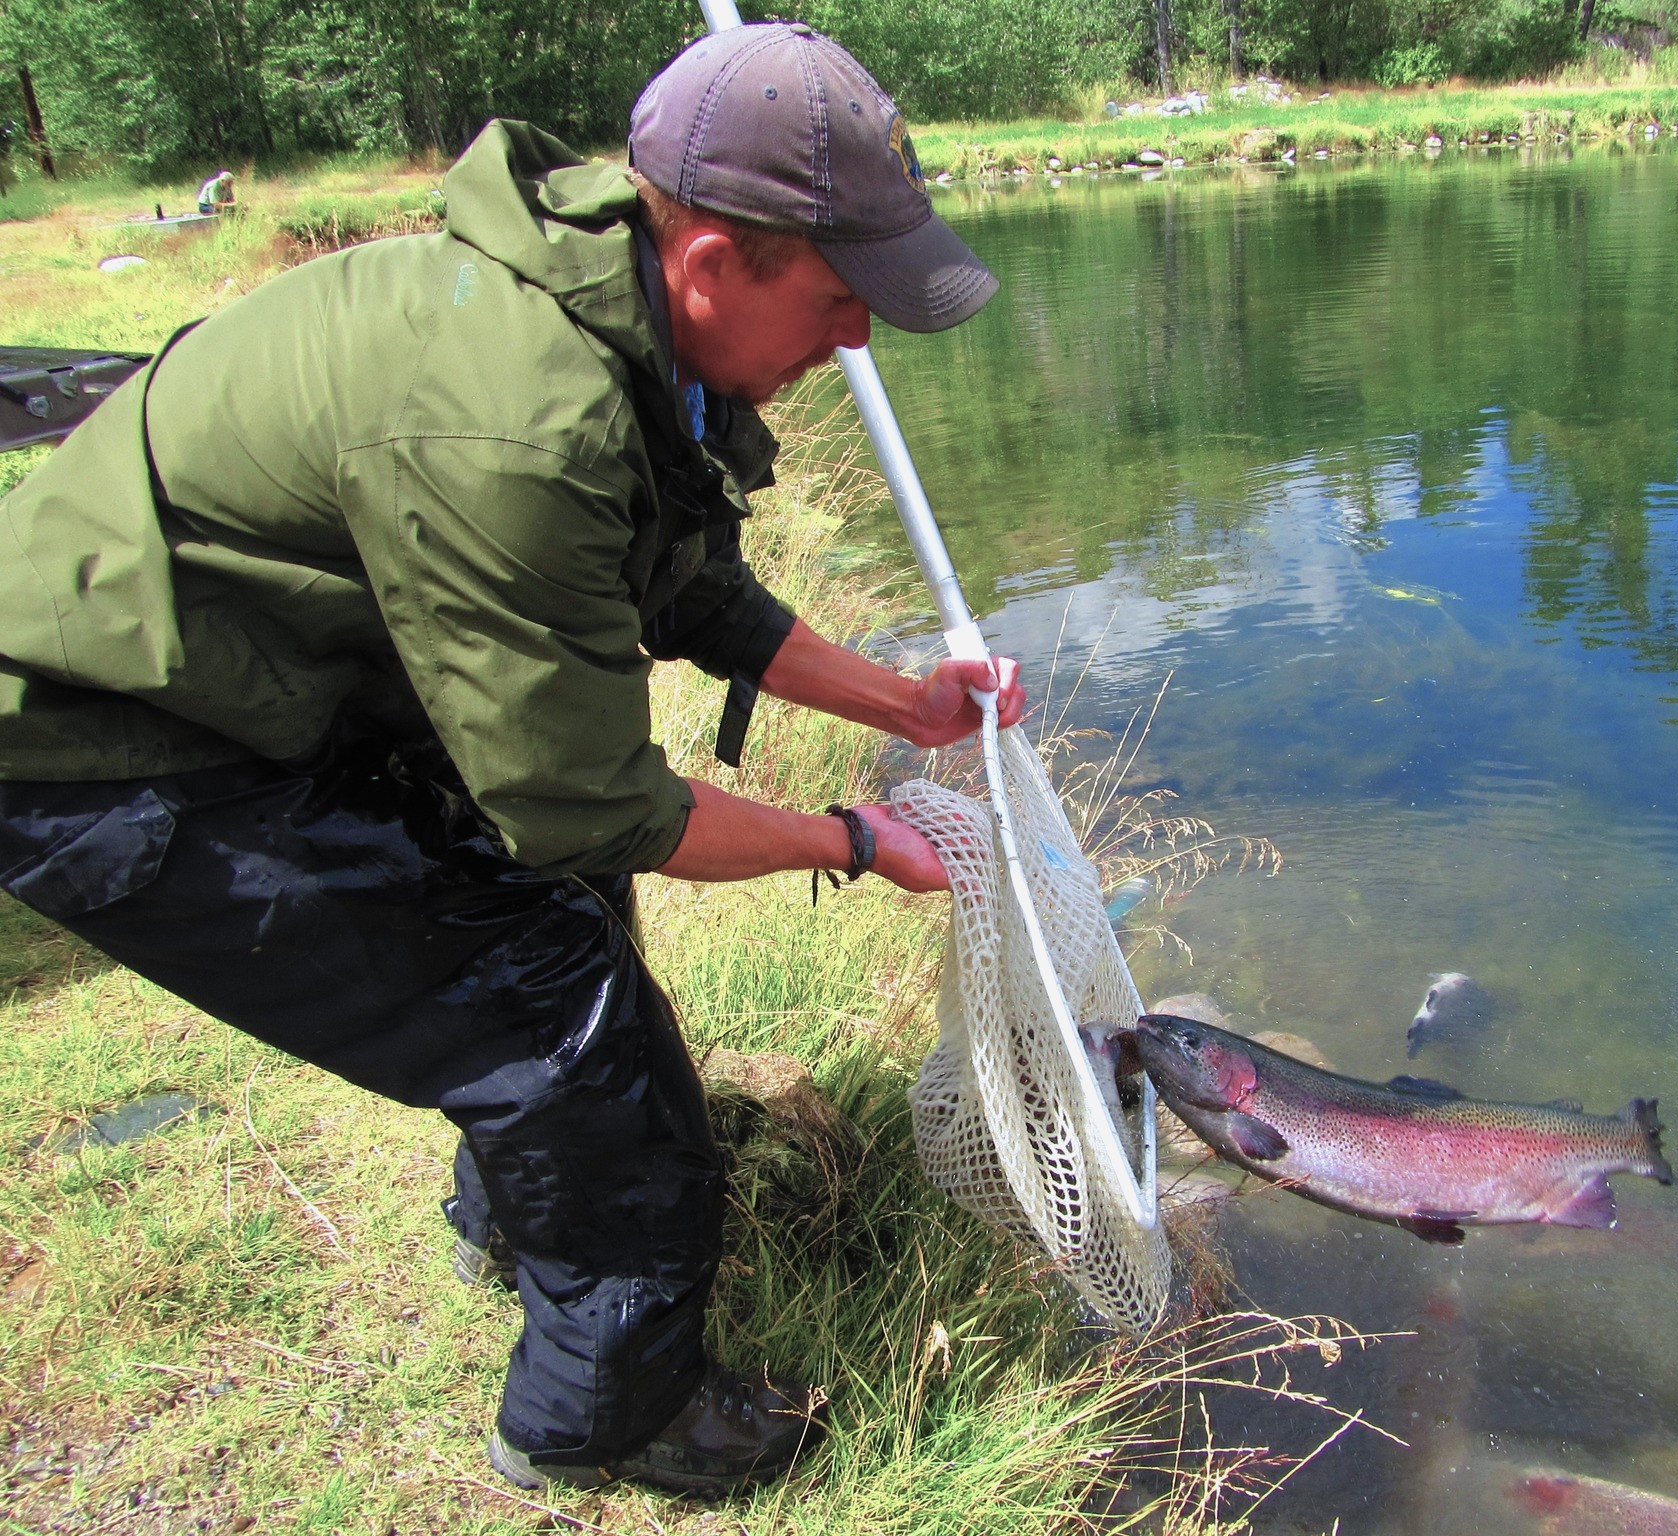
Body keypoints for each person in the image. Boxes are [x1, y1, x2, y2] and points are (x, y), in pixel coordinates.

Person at [0, 22, 1019, 1500]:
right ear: (716, 261)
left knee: (549, 934)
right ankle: (610, 1419)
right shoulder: (517, 419)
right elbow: (593, 802)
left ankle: (523, 1209)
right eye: (844, 295)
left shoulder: (621, 320)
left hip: (266, 673)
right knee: (568, 1020)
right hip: (108, 729)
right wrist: (855, 844)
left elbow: (682, 590)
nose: (858, 337)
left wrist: (905, 707)